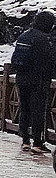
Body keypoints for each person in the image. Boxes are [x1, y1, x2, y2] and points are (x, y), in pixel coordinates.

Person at [12, 10, 55, 157]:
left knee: (25, 108)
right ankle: (38, 142)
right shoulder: (45, 39)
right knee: (38, 110)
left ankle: (25, 140)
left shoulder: (25, 35)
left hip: (21, 78)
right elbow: (50, 61)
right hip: (38, 80)